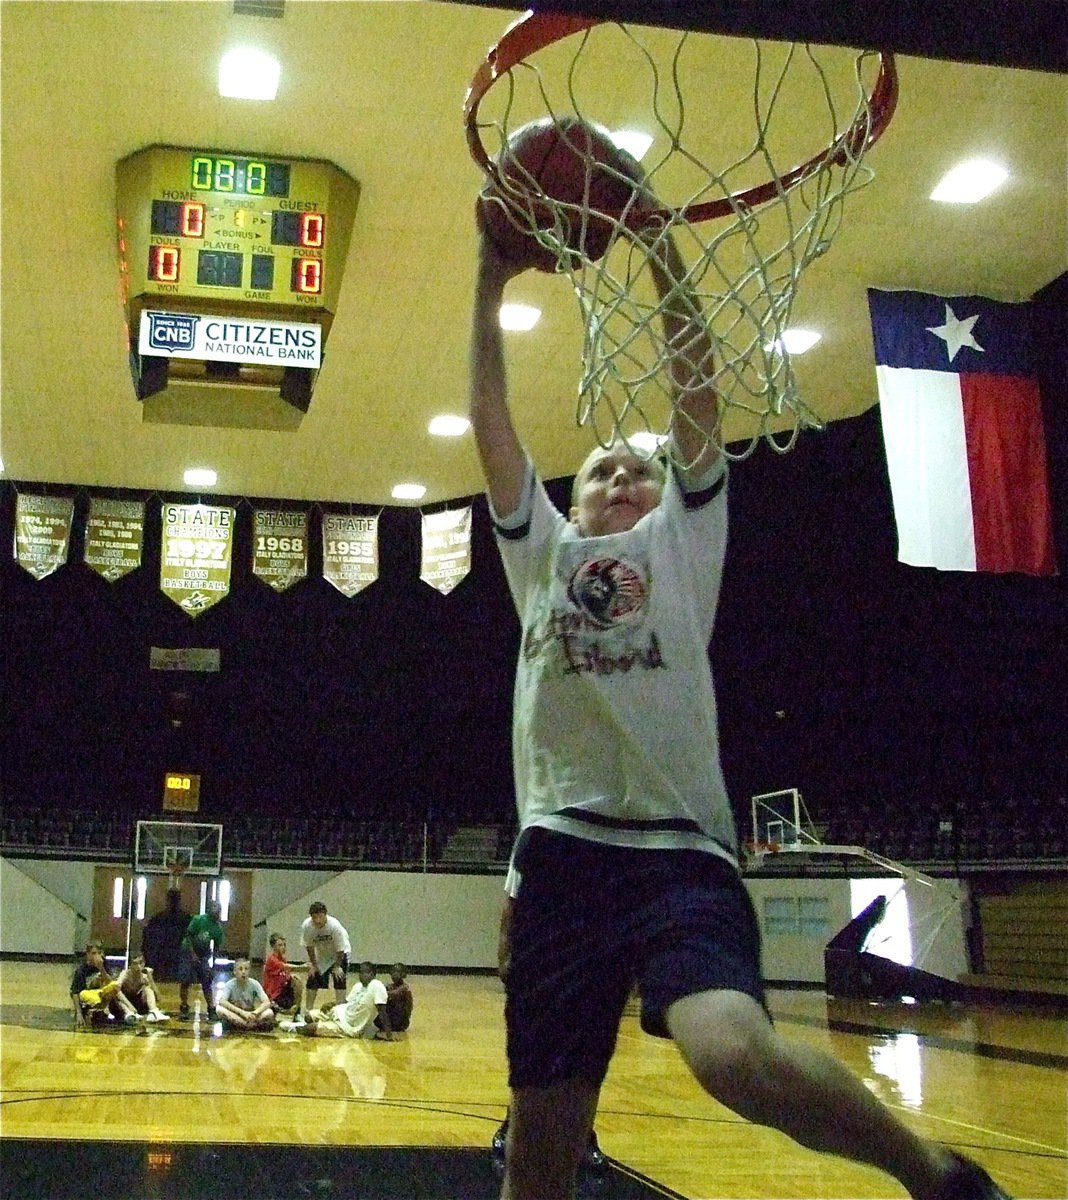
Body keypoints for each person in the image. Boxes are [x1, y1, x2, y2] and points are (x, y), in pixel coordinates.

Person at [470, 198, 1012, 1200]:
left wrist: (655, 240)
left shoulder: (681, 545)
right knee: (540, 1154)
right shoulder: (541, 554)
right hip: (559, 860)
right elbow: (489, 420)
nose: (625, 473)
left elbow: (696, 386)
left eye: (641, 466)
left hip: (680, 853)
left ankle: (935, 1175)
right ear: (574, 499)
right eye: (601, 469)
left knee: (733, 1054)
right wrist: (490, 273)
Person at [285, 961, 391, 1040]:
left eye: (366, 973)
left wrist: (388, 1034)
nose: (362, 975)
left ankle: (292, 1027)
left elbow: (382, 1010)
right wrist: (332, 1004)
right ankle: (300, 1024)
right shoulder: (358, 986)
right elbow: (347, 1002)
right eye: (360, 972)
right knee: (308, 1016)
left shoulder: (376, 985)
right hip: (339, 1013)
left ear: (373, 974)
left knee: (309, 1028)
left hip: (347, 1027)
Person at [70, 942, 140, 1027]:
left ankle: (129, 1011)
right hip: (88, 996)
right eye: (93, 953)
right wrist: (79, 1013)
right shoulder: (81, 970)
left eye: (99, 953)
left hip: (102, 994)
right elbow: (75, 993)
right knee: (86, 995)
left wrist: (101, 968)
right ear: (88, 954)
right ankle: (125, 1010)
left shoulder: (104, 964)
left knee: (114, 986)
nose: (96, 956)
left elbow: (110, 983)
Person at [300, 901, 351, 1012]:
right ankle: (308, 1010)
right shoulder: (307, 926)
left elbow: (340, 949)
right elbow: (309, 946)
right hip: (322, 954)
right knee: (313, 977)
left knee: (339, 978)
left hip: (340, 953)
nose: (317, 920)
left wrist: (337, 966)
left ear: (325, 915)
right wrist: (314, 964)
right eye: (314, 917)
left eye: (320, 916)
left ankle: (340, 1008)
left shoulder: (334, 926)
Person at [178, 900, 223, 1019]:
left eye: (218, 911)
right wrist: (192, 954)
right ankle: (184, 1007)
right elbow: (188, 935)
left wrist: (213, 966)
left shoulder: (217, 928)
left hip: (203, 954)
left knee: (206, 980)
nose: (216, 913)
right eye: (214, 910)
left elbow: (216, 948)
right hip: (188, 951)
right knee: (185, 979)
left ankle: (211, 1008)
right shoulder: (198, 920)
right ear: (209, 911)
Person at [216, 957, 276, 1031]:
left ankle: (243, 1025)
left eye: (246, 969)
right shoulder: (230, 984)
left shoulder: (255, 984)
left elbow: (266, 1002)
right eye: (240, 969)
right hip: (237, 1014)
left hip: (252, 1015)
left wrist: (255, 1013)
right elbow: (222, 1001)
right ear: (235, 971)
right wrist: (242, 1013)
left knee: (269, 1012)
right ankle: (249, 1025)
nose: (243, 972)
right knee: (219, 1009)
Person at [262, 932, 305, 1023]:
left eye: (284, 945)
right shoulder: (271, 959)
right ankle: (275, 1008)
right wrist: (304, 966)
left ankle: (296, 1014)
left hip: (282, 990)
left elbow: (286, 974)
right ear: (273, 946)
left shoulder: (283, 958)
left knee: (297, 980)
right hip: (273, 994)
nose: (283, 947)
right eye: (280, 945)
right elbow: (286, 967)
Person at [117, 952, 170, 1022]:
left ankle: (153, 1012)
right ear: (130, 965)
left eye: (140, 963)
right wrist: (130, 1006)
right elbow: (116, 991)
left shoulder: (144, 976)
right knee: (115, 992)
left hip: (137, 1002)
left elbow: (159, 998)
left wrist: (150, 978)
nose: (138, 966)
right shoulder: (124, 974)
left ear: (144, 964)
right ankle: (129, 1013)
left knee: (148, 988)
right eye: (135, 964)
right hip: (125, 1003)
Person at [382, 963, 413, 1034]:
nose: (394, 974)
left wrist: (382, 992)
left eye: (397, 972)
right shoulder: (390, 986)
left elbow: (395, 993)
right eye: (392, 971)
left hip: (401, 1017)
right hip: (394, 1014)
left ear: (403, 974)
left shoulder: (405, 987)